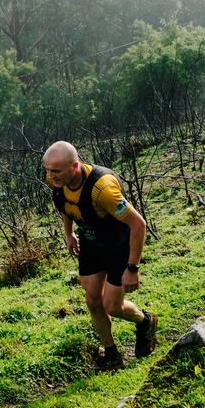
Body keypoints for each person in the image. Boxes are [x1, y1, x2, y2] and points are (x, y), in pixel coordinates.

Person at [41, 141, 156, 368]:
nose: (50, 176)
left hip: (117, 245)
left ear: (74, 167)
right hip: (91, 241)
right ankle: (112, 354)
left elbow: (138, 224)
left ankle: (145, 321)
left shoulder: (102, 189)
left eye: (55, 170)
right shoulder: (57, 181)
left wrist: (133, 268)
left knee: (112, 306)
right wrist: (69, 234)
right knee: (93, 300)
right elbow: (64, 205)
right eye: (47, 169)